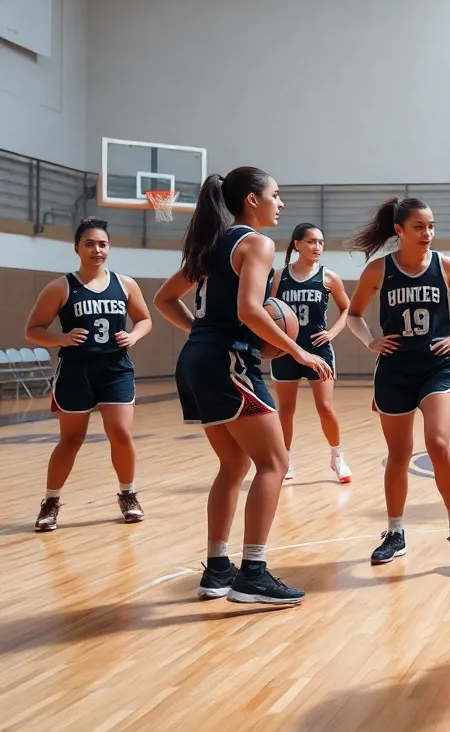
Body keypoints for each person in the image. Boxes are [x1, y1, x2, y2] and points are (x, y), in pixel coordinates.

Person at [154, 167, 333, 605]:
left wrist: (201, 332)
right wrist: (298, 350)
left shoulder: (210, 244)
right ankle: (253, 573)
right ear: (252, 200)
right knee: (274, 462)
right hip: (229, 362)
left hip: (196, 360)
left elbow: (163, 299)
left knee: (233, 466)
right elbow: (252, 311)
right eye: (275, 194)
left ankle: (217, 569)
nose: (281, 203)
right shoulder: (256, 242)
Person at [346, 197, 450, 573]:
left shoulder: (446, 266)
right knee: (399, 454)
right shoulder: (378, 271)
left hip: (437, 368)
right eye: (419, 227)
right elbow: (354, 315)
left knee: (437, 443)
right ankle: (395, 533)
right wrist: (370, 339)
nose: (428, 233)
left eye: (431, 226)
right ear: (399, 230)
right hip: (394, 371)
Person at [25, 217, 152, 531]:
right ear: (77, 248)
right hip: (76, 369)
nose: (98, 249)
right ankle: (51, 502)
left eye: (103, 243)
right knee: (71, 439)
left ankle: (128, 494)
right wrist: (61, 338)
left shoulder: (125, 284)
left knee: (121, 434)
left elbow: (145, 320)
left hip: (116, 369)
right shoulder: (60, 287)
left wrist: (134, 336)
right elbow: (33, 330)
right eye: (90, 243)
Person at [270, 223, 353, 483]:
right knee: (285, 409)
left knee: (325, 407)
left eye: (320, 242)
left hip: (318, 350)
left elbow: (348, 309)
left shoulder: (329, 278)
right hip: (284, 350)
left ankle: (337, 457)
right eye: (311, 241)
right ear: (297, 244)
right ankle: (285, 460)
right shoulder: (278, 277)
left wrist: (332, 333)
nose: (317, 246)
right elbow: (267, 309)